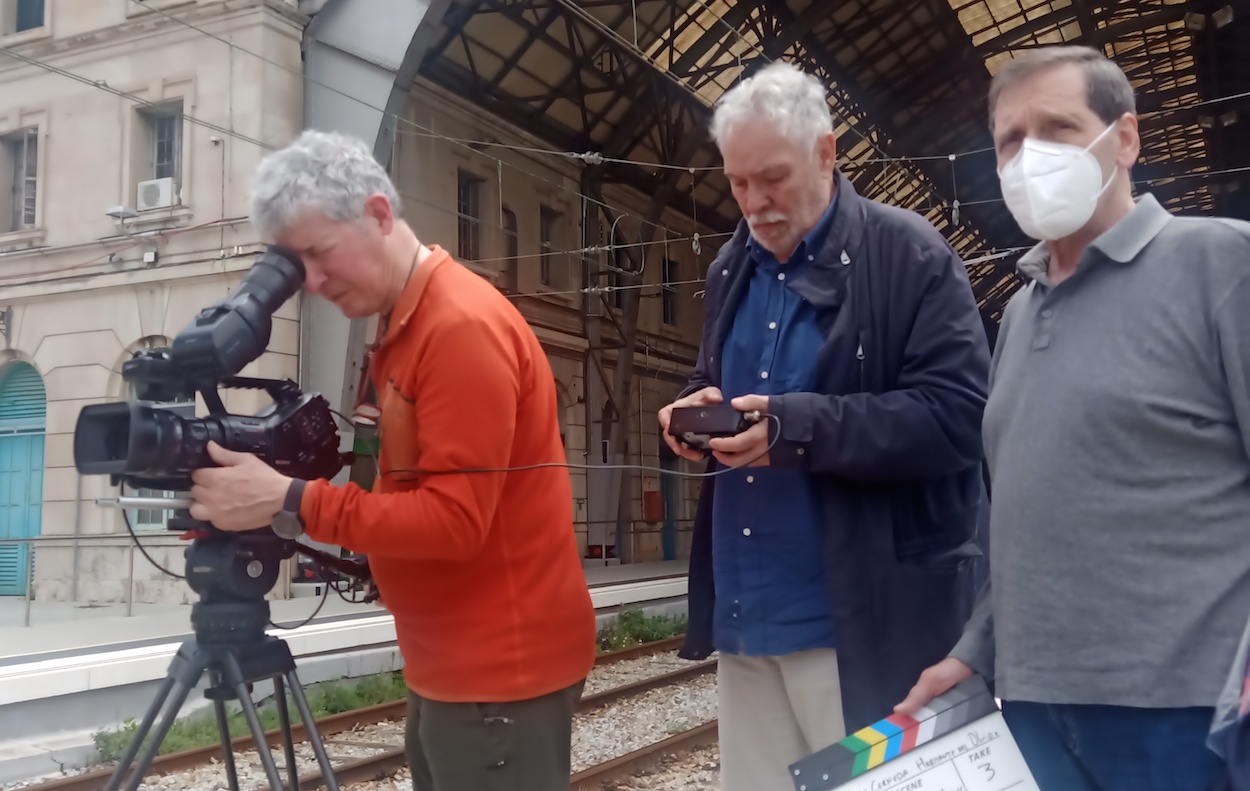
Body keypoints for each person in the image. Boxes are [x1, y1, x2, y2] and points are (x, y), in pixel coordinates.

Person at [186, 130, 597, 791]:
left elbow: (457, 523)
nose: (313, 284)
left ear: (379, 214)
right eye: (298, 268)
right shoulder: (400, 325)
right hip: (451, 662)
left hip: (499, 670)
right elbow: (400, 492)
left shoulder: (458, 327)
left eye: (320, 255)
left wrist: (291, 500)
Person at [895, 44, 1250, 791]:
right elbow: (1026, 516)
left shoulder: (1221, 265)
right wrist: (975, 649)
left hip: (1187, 713)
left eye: (1058, 127)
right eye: (1010, 141)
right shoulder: (1020, 314)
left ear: (1124, 139)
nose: (1032, 156)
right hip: (1034, 710)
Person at [657, 61, 991, 791]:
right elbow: (711, 376)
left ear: (827, 151)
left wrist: (794, 428)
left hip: (860, 622)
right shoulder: (728, 270)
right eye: (737, 182)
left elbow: (959, 417)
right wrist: (690, 409)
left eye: (771, 177)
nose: (753, 201)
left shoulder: (910, 255)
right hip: (748, 619)